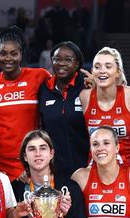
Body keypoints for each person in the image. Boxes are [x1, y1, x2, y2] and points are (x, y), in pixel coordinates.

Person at [0, 26, 51, 180]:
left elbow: (62, 92)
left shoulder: (39, 76)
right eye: (3, 53)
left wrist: (87, 83)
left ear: (21, 55)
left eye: (14, 53)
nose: (8, 58)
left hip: (29, 163)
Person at [80, 47, 130, 169]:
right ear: (93, 71)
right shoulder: (85, 96)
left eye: (108, 66)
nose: (102, 71)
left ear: (118, 71)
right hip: (96, 173)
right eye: (97, 67)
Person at [39, 41, 89, 177]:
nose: (61, 63)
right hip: (53, 171)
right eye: (57, 59)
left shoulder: (87, 87)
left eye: (68, 60)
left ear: (77, 63)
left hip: (86, 170)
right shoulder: (44, 89)